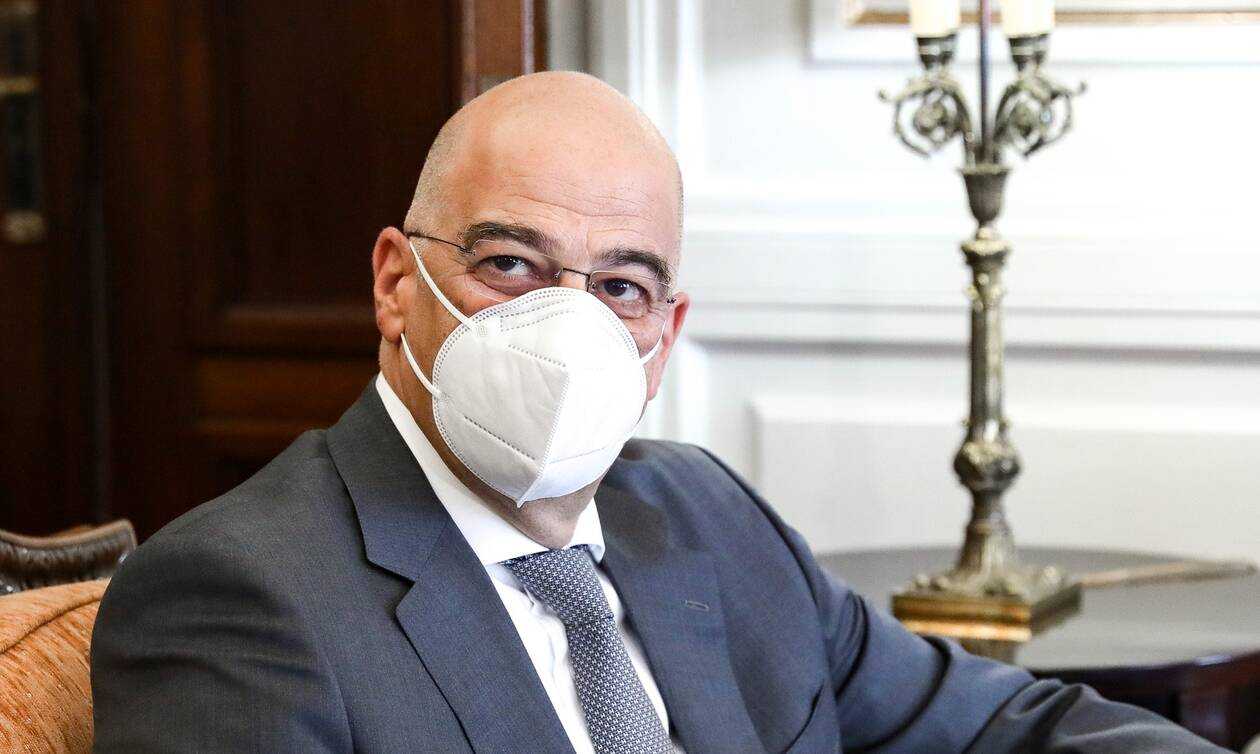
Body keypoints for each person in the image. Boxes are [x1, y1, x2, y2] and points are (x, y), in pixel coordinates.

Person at [90, 71, 1222, 753]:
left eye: (621, 285)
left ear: (664, 335)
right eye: (510, 264)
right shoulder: (237, 596)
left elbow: (996, 726)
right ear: (396, 283)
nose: (569, 323)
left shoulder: (702, 509)